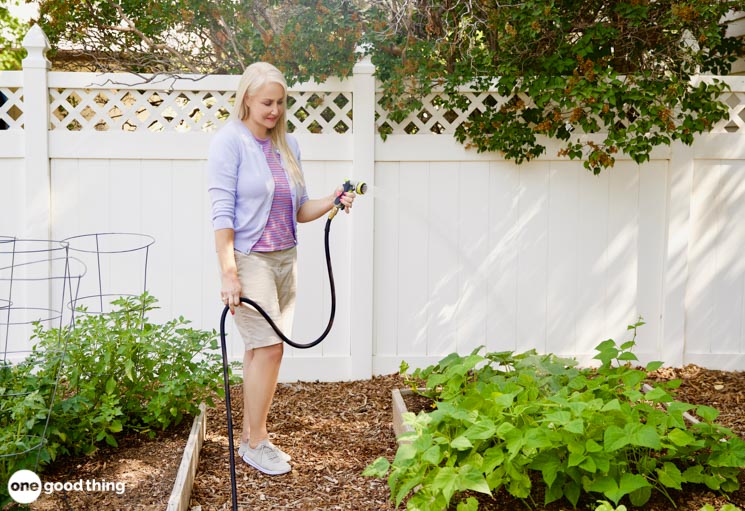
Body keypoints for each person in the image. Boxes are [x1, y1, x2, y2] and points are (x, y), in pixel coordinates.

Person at [207, 62, 355, 476]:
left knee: (261, 351)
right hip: (250, 260)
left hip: (286, 258)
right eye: (267, 102)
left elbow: (299, 209)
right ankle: (257, 441)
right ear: (247, 100)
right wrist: (228, 272)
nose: (274, 110)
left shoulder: (287, 144)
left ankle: (252, 438)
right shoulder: (229, 143)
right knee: (271, 348)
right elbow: (222, 215)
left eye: (280, 102)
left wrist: (332, 199)